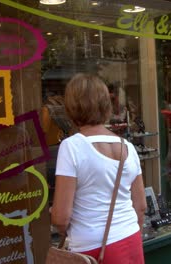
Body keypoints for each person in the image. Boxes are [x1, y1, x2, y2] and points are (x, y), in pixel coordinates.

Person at [51, 73, 147, 264]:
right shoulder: (126, 146)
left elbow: (61, 218)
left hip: (92, 248)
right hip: (131, 239)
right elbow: (141, 206)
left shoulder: (72, 146)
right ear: (106, 105)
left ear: (71, 107)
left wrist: (54, 213)